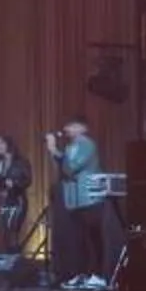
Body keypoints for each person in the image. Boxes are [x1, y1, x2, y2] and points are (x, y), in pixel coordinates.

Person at [49, 119, 112, 282]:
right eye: (67, 125)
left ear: (83, 128)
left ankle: (98, 275)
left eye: (71, 125)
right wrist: (55, 152)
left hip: (90, 198)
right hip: (75, 200)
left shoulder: (87, 145)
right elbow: (64, 168)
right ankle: (82, 274)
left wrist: (55, 150)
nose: (66, 128)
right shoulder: (71, 147)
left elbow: (71, 167)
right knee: (80, 240)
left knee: (93, 237)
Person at [0, 134, 31, 248]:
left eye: (1, 143)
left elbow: (27, 180)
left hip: (17, 199)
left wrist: (15, 183)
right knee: (5, 230)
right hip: (3, 199)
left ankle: (15, 258)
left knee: (13, 229)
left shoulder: (21, 161)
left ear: (8, 144)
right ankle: (7, 257)